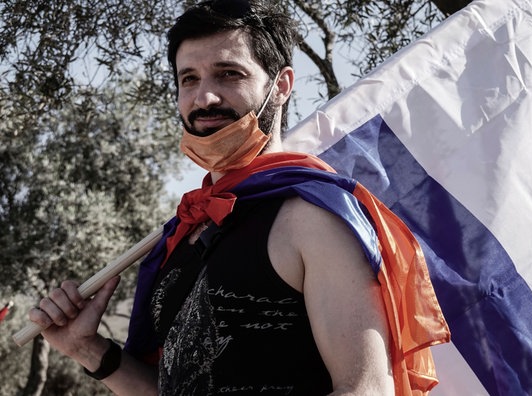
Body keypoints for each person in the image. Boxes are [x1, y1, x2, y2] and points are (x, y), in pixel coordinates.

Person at [28, 1, 449, 395]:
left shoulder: (311, 218)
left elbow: (365, 389)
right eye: (188, 78)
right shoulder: (186, 231)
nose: (203, 97)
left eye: (229, 73)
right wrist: (87, 349)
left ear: (281, 85)